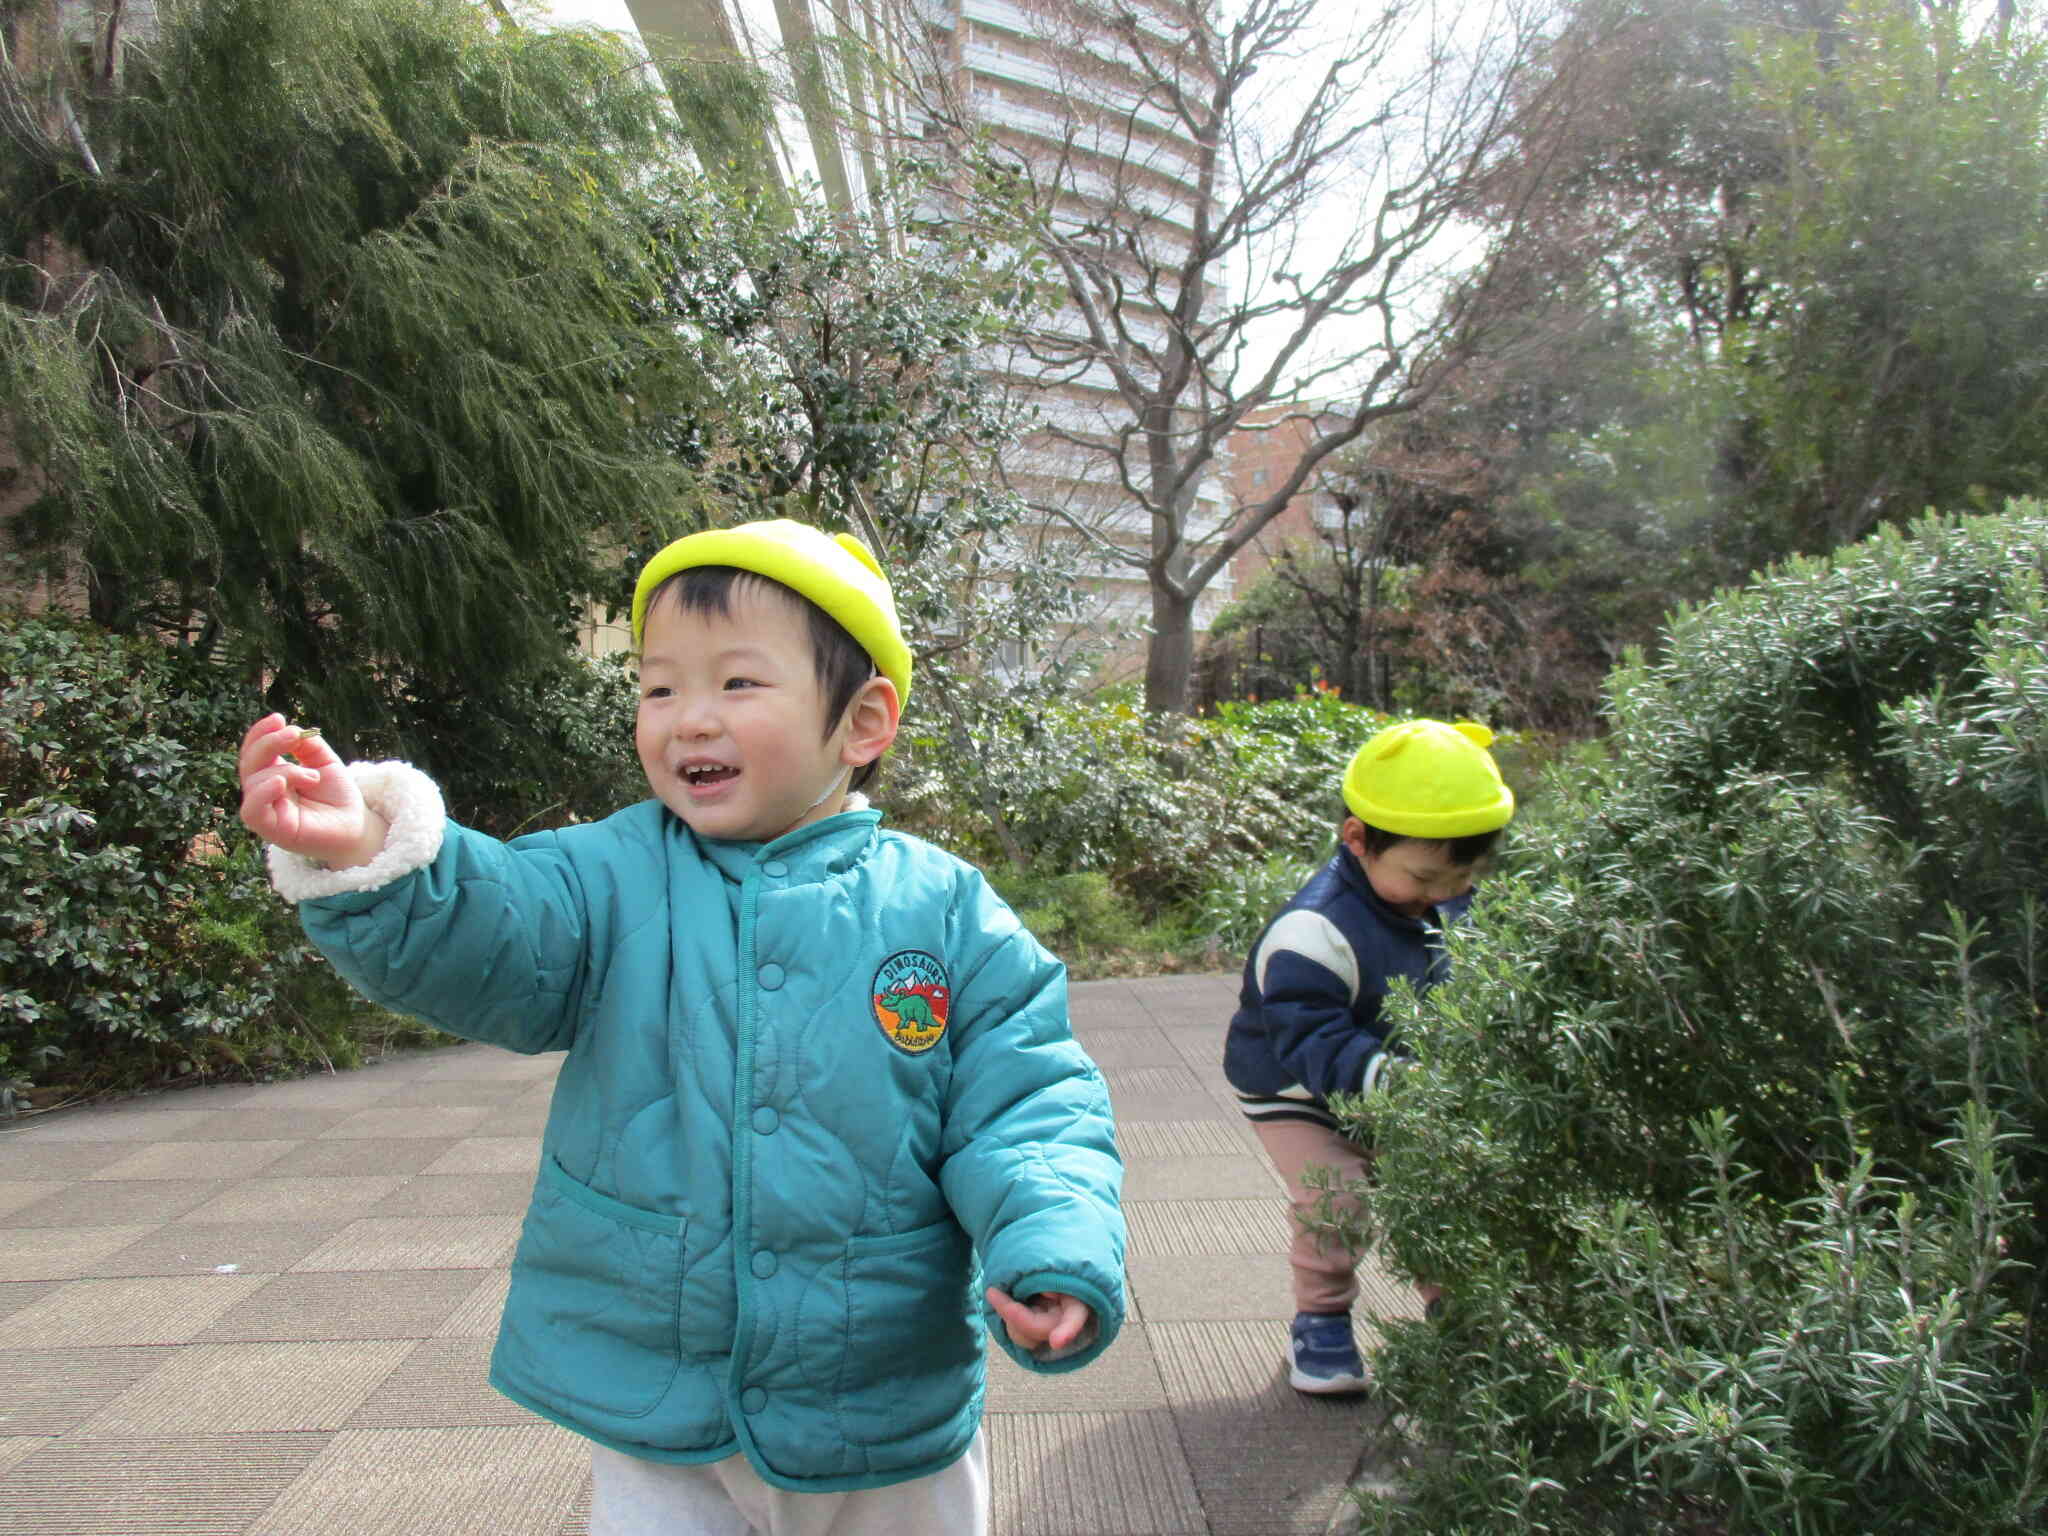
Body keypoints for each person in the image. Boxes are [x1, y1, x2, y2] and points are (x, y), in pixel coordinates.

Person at [237, 518, 1125, 1535]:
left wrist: (1053, 1241)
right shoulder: (606, 877)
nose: (687, 720)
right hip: (659, 1387)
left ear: (864, 721)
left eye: (737, 685)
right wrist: (365, 844)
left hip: (883, 1396)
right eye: (659, 688)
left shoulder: (944, 913)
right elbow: (489, 927)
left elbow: (1030, 1105)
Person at [1222, 718, 1513, 1395]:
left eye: (1463, 877)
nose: (1443, 895)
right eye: (1425, 877)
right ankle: (1320, 1324)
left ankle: (1457, 1312)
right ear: (1357, 839)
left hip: (1401, 1081)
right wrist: (1395, 1082)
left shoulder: (1440, 899)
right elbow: (1309, 1037)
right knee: (1338, 1197)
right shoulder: (1311, 932)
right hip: (1298, 1091)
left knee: (1445, 1189)